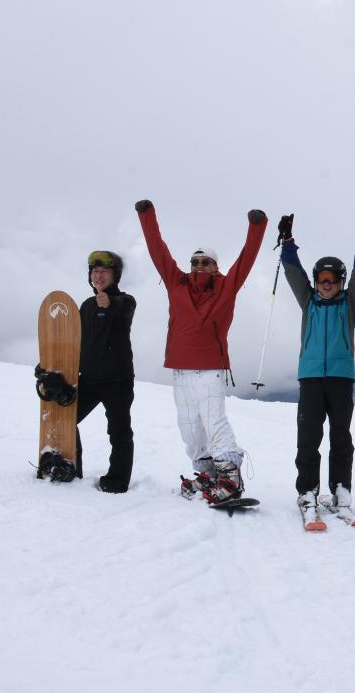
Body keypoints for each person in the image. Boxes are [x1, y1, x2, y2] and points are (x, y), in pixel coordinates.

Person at [136, 200, 267, 503]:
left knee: (214, 422)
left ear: (215, 266)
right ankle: (208, 473)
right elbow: (158, 248)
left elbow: (246, 258)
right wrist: (147, 215)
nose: (199, 266)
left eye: (205, 262)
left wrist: (256, 226)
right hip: (180, 370)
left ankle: (230, 477)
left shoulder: (226, 288)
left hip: (209, 369)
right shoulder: (176, 284)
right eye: (195, 262)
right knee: (190, 429)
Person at [280, 214, 355, 515]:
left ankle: (341, 490)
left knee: (340, 436)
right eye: (321, 280)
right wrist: (288, 244)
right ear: (316, 281)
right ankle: (307, 491)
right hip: (311, 377)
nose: (326, 285)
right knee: (308, 438)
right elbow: (293, 273)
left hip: (341, 378)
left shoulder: (350, 302)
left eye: (332, 280)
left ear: (340, 282)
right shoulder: (308, 300)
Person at [74, 250, 136, 493]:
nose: (98, 275)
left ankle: (117, 481)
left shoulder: (126, 301)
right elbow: (75, 341)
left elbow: (122, 306)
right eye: (95, 271)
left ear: (115, 276)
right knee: (66, 420)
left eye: (104, 271)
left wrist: (110, 302)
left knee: (119, 431)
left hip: (117, 380)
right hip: (88, 379)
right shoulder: (87, 305)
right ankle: (70, 467)